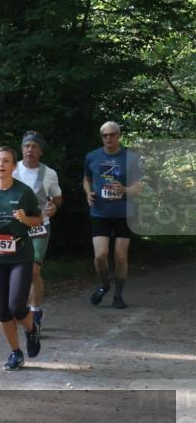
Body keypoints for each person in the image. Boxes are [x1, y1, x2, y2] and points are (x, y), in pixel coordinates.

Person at [0, 146, 44, 371]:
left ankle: (32, 330)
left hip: (19, 255)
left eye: (6, 161)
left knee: (16, 306)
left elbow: (39, 220)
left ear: (14, 166)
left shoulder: (23, 192)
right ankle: (15, 353)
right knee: (2, 310)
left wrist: (25, 219)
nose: (1, 165)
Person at [82, 121, 142, 309]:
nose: (108, 138)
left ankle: (118, 295)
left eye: (112, 135)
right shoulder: (92, 156)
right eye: (105, 135)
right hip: (100, 212)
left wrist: (124, 189)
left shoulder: (131, 158)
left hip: (124, 213)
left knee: (120, 256)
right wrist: (88, 193)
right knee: (100, 256)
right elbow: (86, 178)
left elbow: (138, 187)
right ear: (101, 137)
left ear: (119, 136)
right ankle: (105, 284)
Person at [13, 131, 63, 333]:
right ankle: (23, 308)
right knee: (19, 271)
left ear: (40, 151)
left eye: (34, 146)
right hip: (15, 227)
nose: (29, 150)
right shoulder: (12, 169)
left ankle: (35, 312)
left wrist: (54, 206)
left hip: (40, 226)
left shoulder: (49, 173)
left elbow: (57, 197)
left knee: (33, 270)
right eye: (26, 146)